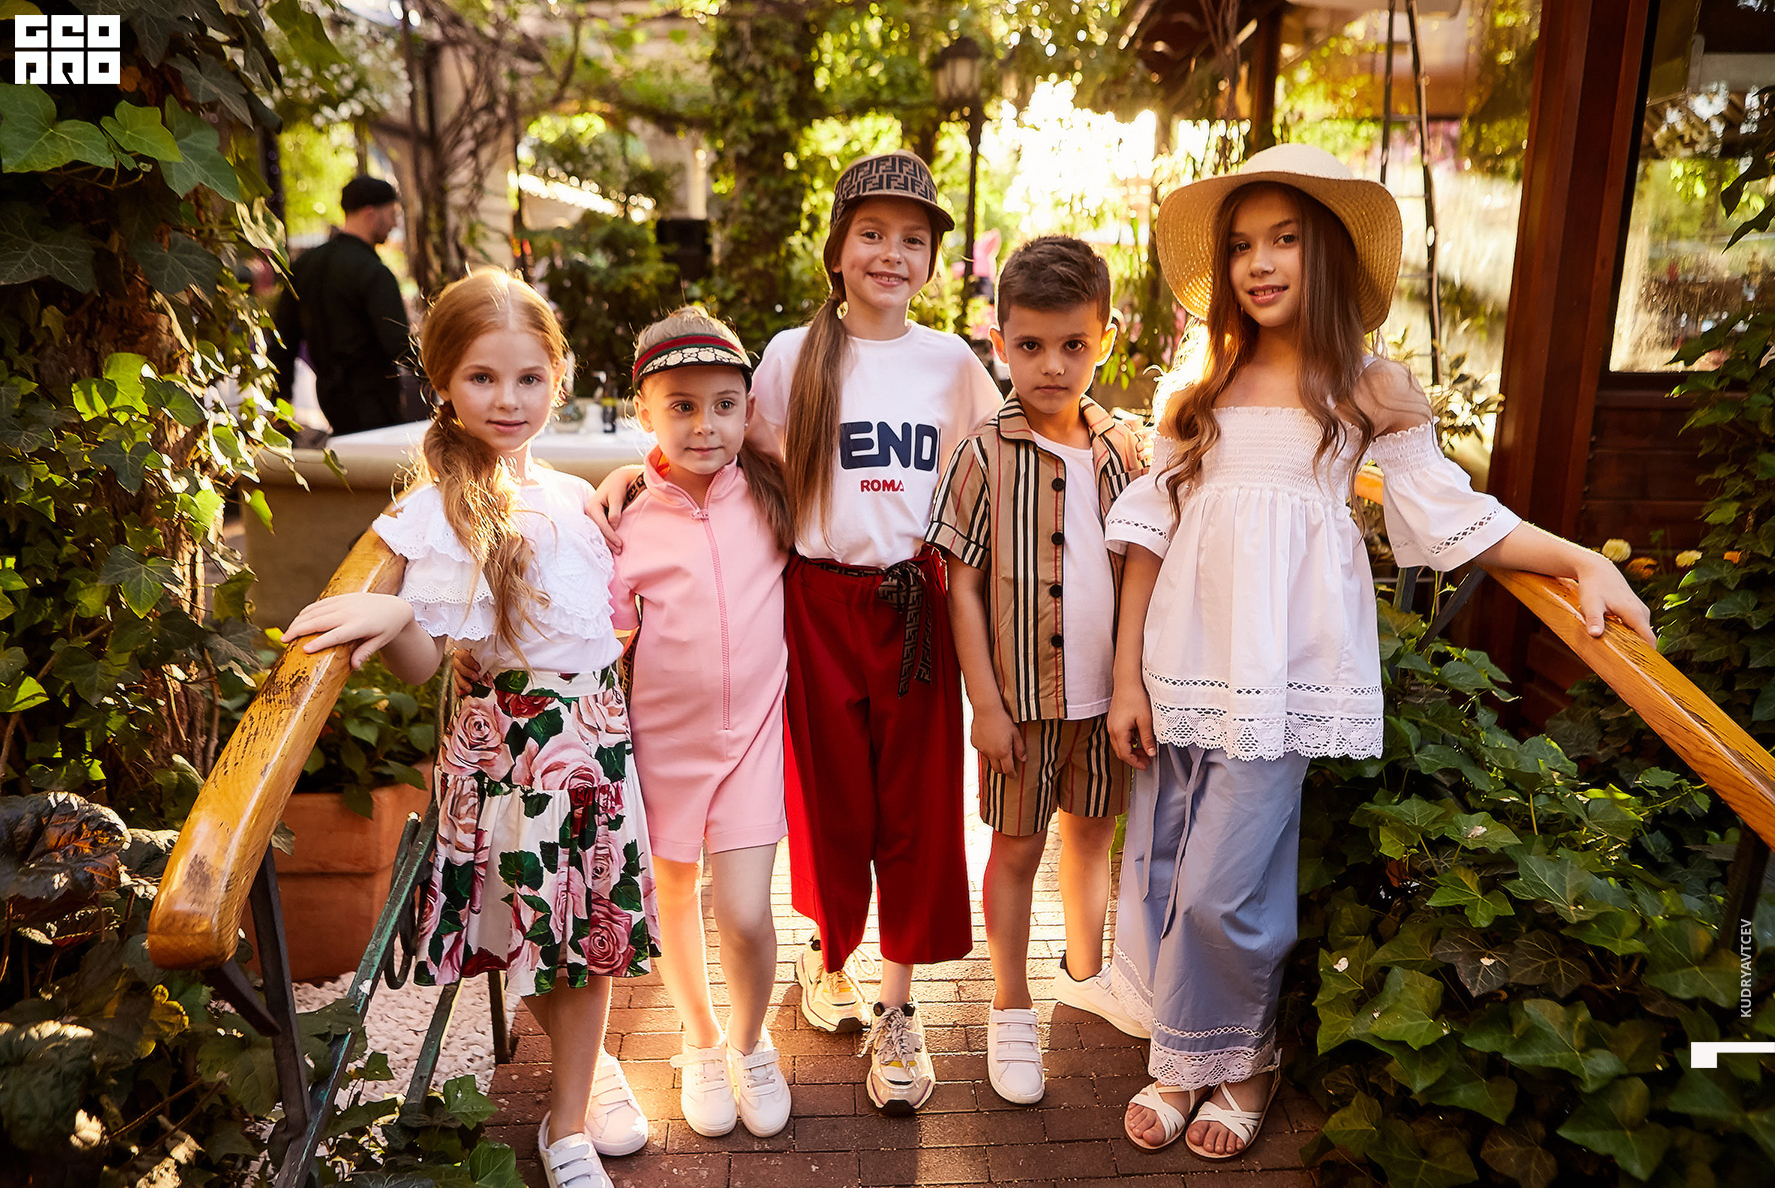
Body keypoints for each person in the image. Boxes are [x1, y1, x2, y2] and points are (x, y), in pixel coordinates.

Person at [1101, 144, 1655, 1160]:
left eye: (1282, 240)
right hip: (1180, 662)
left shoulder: (1364, 386)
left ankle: (1245, 1060)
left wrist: (1580, 560)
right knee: (1168, 858)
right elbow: (1148, 534)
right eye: (1240, 246)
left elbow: (1450, 516)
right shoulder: (1202, 383)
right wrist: (1124, 673)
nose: (1258, 263)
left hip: (1279, 677)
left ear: (1324, 255)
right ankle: (1183, 1057)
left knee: (1228, 885)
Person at [594, 150, 1001, 1114]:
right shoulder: (789, 355)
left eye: (913, 239)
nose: (891, 254)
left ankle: (898, 1006)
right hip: (813, 601)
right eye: (872, 233)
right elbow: (720, 448)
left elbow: (1009, 444)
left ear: (933, 259)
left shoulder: (950, 362)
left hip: (913, 602)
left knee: (916, 807)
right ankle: (830, 959)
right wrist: (628, 473)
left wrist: (1111, 432)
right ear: (837, 248)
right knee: (830, 803)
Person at [286, 271, 659, 1188]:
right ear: (443, 382)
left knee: (587, 938)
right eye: (482, 378)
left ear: (558, 377)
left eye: (528, 378)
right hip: (512, 754)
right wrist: (395, 620)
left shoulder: (572, 492)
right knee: (530, 932)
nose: (507, 400)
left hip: (594, 745)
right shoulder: (436, 507)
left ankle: (573, 1100)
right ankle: (569, 1119)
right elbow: (426, 664)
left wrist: (624, 478)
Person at [925, 236, 1147, 1107]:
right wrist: (983, 704)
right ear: (999, 343)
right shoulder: (982, 453)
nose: (1051, 365)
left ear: (1105, 342)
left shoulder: (1124, 450)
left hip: (1106, 700)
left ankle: (1085, 975)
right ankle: (1010, 1004)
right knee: (1016, 849)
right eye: (1029, 345)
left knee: (1090, 837)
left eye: (1072, 345)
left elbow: (1140, 568)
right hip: (1018, 705)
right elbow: (961, 586)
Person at [606, 307, 794, 1140]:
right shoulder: (623, 520)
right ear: (644, 411)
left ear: (748, 409)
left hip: (752, 738)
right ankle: (702, 1040)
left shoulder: (774, 490)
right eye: (680, 406)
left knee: (746, 911)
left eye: (724, 404)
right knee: (674, 895)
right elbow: (606, 632)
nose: (704, 424)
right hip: (663, 745)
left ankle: (752, 1044)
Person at [271, 174, 416, 436]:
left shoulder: (305, 266)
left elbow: (283, 339)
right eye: (392, 213)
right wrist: (444, 376)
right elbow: (399, 345)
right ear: (371, 213)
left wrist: (280, 400)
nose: (395, 223)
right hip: (375, 403)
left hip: (329, 400)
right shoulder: (373, 272)